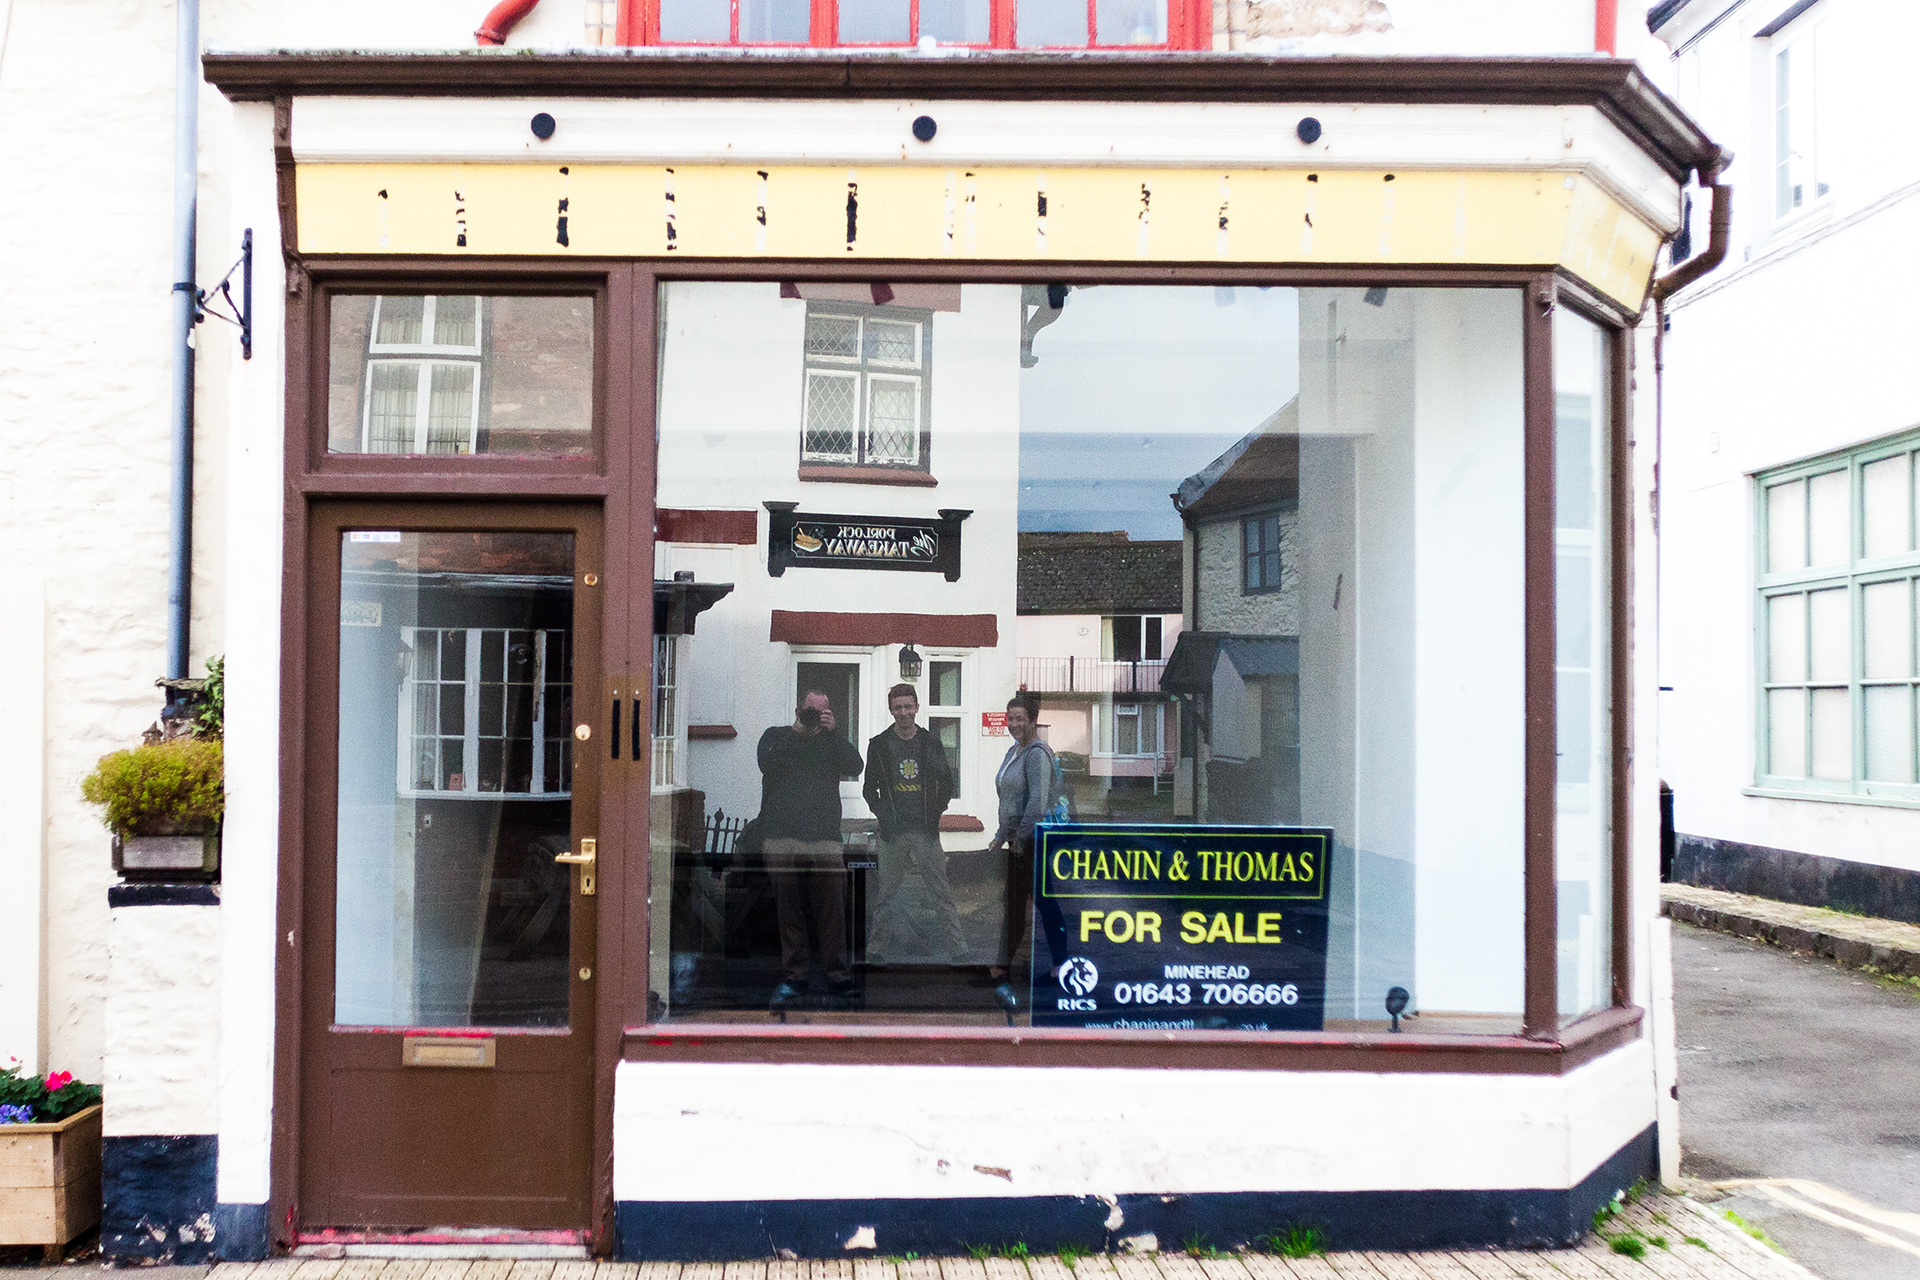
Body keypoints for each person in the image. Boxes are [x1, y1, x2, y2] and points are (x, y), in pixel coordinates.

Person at [757, 689, 865, 1012]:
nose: (814, 717)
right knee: (788, 906)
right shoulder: (776, 737)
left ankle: (838, 975)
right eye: (809, 711)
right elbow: (768, 765)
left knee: (834, 906)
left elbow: (855, 765)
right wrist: (799, 732)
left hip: (824, 838)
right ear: (797, 711)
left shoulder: (831, 743)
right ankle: (795, 976)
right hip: (782, 835)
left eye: (821, 712)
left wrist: (835, 734)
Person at [862, 684, 966, 965]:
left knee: (941, 892)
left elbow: (947, 783)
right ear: (891, 710)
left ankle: (959, 951)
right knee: (886, 894)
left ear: (917, 707)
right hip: (893, 832)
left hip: (925, 831)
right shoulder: (879, 745)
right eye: (898, 707)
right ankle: (876, 952)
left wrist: (935, 814)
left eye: (908, 706)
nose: (904, 712)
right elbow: (869, 789)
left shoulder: (930, 743)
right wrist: (884, 815)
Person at [986, 691, 1068, 1011]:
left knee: (1034, 903)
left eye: (1020, 718)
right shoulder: (1014, 751)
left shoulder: (1037, 754)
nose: (1014, 724)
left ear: (1033, 721)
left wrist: (1019, 838)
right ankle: (1013, 964)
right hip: (1019, 839)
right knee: (1027, 902)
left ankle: (1015, 966)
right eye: (1011, 718)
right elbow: (1008, 799)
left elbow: (1037, 802)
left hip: (1034, 841)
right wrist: (1000, 836)